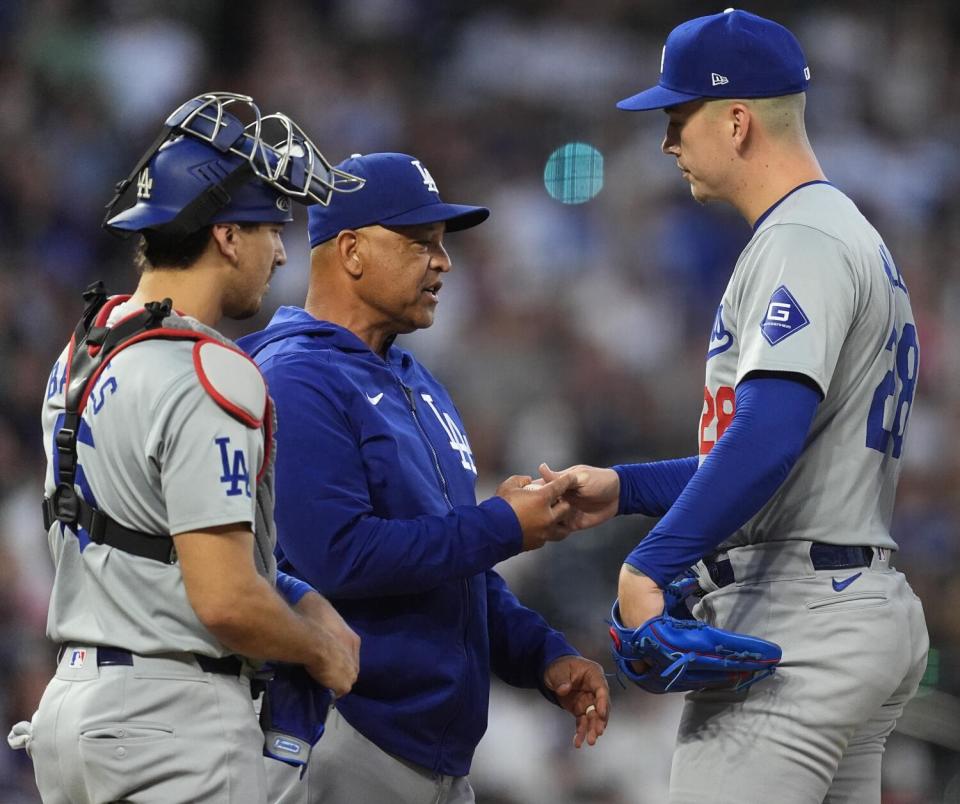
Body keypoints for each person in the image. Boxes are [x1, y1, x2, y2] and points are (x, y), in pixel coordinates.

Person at [542, 10, 929, 803]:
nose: (666, 140)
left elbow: (769, 436)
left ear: (738, 120)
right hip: (850, 601)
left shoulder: (803, 240)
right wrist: (628, 488)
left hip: (799, 617)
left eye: (678, 117)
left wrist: (649, 564)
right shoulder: (843, 232)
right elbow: (790, 452)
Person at [13, 92, 364, 804]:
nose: (280, 252)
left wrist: (290, 593)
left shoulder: (83, 348)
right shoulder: (211, 369)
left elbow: (149, 541)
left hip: (72, 711)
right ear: (227, 234)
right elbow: (226, 600)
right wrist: (319, 646)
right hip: (172, 724)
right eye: (272, 227)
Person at [238, 151, 609, 804]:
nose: (443, 263)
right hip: (345, 738)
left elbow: (451, 560)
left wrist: (540, 653)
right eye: (420, 244)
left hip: (435, 757)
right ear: (351, 250)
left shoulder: (415, 380)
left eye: (441, 245)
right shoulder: (294, 378)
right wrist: (503, 524)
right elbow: (338, 556)